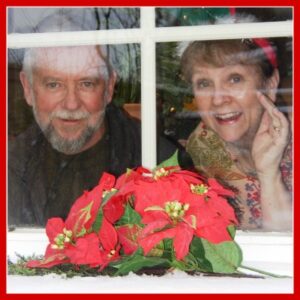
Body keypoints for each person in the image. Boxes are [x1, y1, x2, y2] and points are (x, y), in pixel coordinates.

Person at [8, 13, 177, 226]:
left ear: (108, 88)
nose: (71, 104)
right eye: (54, 84)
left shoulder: (158, 161)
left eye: (86, 83)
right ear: (28, 88)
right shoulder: (11, 167)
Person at [180, 21, 292, 230]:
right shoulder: (203, 146)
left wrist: (270, 175)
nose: (218, 99)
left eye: (234, 79)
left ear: (270, 85)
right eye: (204, 84)